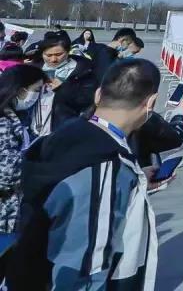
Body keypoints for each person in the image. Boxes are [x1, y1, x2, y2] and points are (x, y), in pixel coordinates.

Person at [11, 58, 162, 291]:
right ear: (151, 102)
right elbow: (86, 269)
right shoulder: (105, 165)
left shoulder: (67, 135)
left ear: (98, 94)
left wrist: (130, 181)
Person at [0, 65, 47, 239]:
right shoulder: (4, 123)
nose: (39, 95)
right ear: (21, 91)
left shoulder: (17, 116)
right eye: (37, 90)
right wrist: (35, 162)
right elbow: (4, 174)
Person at [34, 33, 97, 135]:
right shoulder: (33, 69)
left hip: (65, 128)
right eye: (48, 55)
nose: (53, 59)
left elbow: (88, 100)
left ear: (68, 51)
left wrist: (63, 88)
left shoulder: (84, 71)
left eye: (59, 54)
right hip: (35, 127)